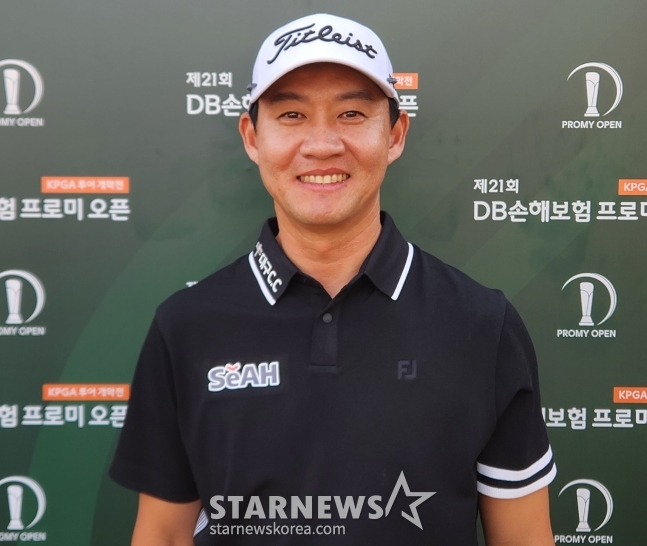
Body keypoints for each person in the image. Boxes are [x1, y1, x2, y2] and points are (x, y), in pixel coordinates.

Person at [110, 13, 556, 546]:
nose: (321, 144)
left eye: (351, 113)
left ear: (395, 135)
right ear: (252, 137)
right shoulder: (186, 327)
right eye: (292, 114)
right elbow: (163, 535)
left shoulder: (483, 324)